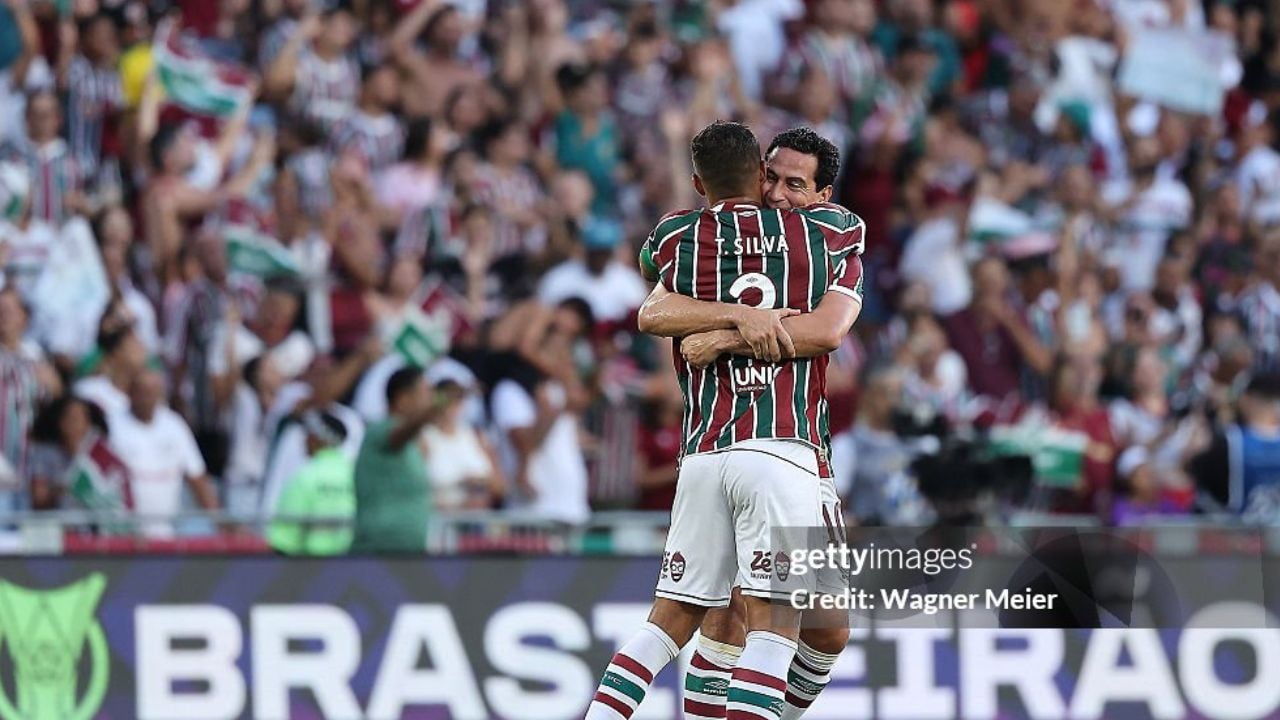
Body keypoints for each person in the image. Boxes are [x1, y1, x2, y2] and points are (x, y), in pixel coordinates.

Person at [585, 122, 864, 720]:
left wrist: (717, 338)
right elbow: (653, 310)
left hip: (785, 455)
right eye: (774, 177)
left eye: (796, 183)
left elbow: (828, 331)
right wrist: (743, 316)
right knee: (749, 620)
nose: (781, 192)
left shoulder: (686, 238)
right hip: (768, 450)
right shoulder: (828, 237)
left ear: (822, 195)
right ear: (757, 174)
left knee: (826, 629)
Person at [108, 369, 219, 538]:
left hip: (165, 535)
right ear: (130, 392)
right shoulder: (112, 425)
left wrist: (219, 522)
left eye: (153, 392)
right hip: (122, 534)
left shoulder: (174, 425)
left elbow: (197, 478)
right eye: (142, 391)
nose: (147, 398)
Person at [349, 366, 444, 553]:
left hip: (408, 555)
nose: (431, 399)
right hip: (377, 555)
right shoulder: (379, 430)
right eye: (426, 393)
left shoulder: (416, 445)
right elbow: (401, 434)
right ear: (402, 398)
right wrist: (440, 404)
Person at [268, 409, 355, 555]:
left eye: (308, 434)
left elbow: (284, 541)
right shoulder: (354, 474)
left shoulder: (305, 477)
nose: (304, 440)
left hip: (311, 568)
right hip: (356, 566)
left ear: (316, 438)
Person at [422, 379, 503, 511]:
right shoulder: (425, 438)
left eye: (458, 400)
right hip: (443, 519)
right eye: (447, 400)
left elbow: (500, 487)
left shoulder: (476, 436)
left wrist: (479, 483)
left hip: (476, 521)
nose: (453, 406)